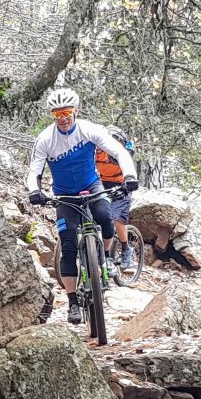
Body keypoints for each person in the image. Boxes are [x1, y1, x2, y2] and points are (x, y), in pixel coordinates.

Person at [24, 88, 137, 325]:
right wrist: (35, 190)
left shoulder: (89, 130)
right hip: (65, 194)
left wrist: (129, 176)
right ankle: (73, 302)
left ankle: (105, 256)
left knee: (105, 217)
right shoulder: (45, 139)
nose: (63, 118)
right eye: (57, 114)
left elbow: (119, 151)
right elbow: (35, 170)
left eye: (66, 112)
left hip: (92, 185)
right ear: (53, 116)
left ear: (75, 111)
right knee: (68, 245)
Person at [95, 124, 138, 270]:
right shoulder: (96, 150)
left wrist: (129, 182)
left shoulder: (120, 151)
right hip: (101, 184)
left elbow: (128, 166)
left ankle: (126, 250)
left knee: (116, 220)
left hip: (121, 186)